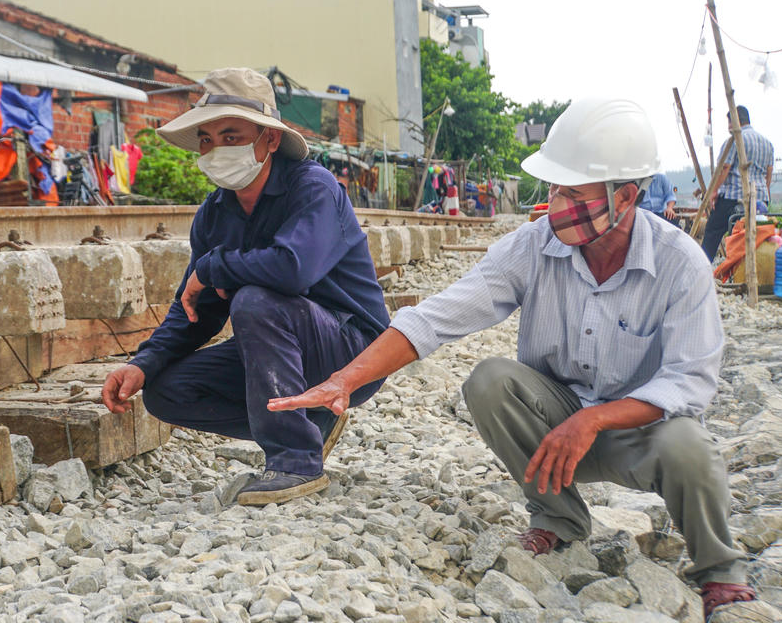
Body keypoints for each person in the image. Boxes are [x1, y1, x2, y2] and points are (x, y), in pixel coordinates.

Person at [269, 98, 756, 618]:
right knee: (489, 380)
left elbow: (689, 381)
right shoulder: (533, 245)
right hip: (554, 435)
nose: (557, 203)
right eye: (554, 189)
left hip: (640, 434)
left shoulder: (679, 263)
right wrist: (345, 379)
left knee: (691, 443)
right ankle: (558, 519)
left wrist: (595, 419)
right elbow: (438, 316)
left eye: (573, 192)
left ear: (627, 196)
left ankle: (719, 571)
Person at [100, 67, 389, 505]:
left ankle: (295, 460)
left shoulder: (314, 188)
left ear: (269, 140)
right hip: (276, 349)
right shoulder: (215, 215)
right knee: (166, 391)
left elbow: (293, 270)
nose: (217, 149)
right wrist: (144, 362)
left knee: (255, 299)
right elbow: (194, 309)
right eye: (207, 139)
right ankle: (306, 422)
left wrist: (215, 266)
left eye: (231, 136)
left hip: (350, 349)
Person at [700, 105, 774, 261]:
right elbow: (768, 174)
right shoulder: (767, 143)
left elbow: (724, 168)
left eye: (729, 123)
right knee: (755, 236)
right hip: (760, 199)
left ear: (735, 121)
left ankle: (702, 267)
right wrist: (764, 198)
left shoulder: (735, 140)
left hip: (734, 198)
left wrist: (713, 191)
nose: (728, 128)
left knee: (713, 231)